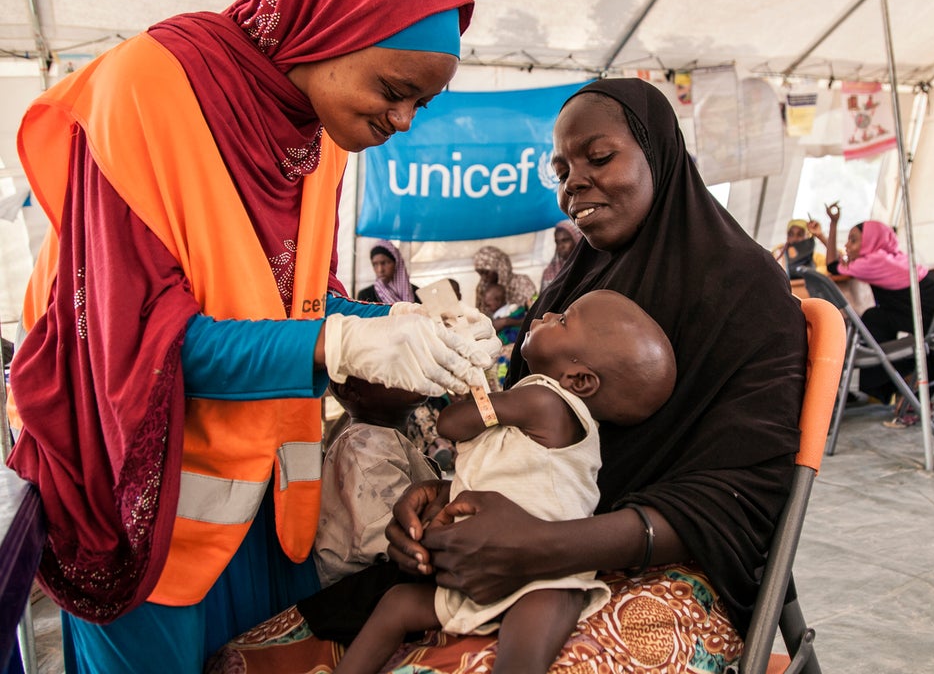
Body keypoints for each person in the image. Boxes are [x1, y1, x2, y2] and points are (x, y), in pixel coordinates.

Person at [3, 0, 500, 673]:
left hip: (270, 514)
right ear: (324, 28)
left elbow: (289, 298)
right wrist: (341, 342)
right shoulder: (148, 89)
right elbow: (133, 345)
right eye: (394, 89)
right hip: (146, 518)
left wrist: (391, 327)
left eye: (424, 103)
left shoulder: (321, 128)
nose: (404, 121)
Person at [208, 77, 808, 672]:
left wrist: (545, 548)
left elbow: (743, 496)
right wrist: (447, 499)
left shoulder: (744, 290)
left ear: (659, 154)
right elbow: (526, 446)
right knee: (251, 660)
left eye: (599, 157)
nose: (575, 181)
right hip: (514, 548)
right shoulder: (576, 284)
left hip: (665, 567)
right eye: (561, 170)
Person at [334, 289, 676, 674]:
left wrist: (464, 370)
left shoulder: (541, 400)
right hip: (537, 575)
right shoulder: (566, 420)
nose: (548, 314)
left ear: (579, 379)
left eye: (563, 320)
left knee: (397, 604)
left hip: (532, 567)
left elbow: (451, 424)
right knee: (541, 618)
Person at [810, 205, 934, 425]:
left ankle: (911, 381)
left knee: (872, 323)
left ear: (871, 242)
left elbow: (834, 266)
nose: (847, 245)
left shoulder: (872, 263)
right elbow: (844, 261)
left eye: (853, 240)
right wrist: (827, 232)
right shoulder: (891, 257)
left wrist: (832, 226)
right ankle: (932, 375)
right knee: (875, 317)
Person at [314, 378, 438, 589]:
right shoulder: (366, 452)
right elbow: (417, 546)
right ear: (349, 389)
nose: (413, 368)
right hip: (365, 598)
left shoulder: (379, 440)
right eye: (396, 360)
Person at [540, 218, 583, 289]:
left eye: (565, 240)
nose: (560, 246)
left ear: (577, 239)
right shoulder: (549, 273)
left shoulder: (591, 267)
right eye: (557, 242)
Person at [473, 245, 515, 311]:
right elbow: (480, 313)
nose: (483, 277)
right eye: (480, 273)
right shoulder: (481, 288)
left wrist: (508, 320)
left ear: (499, 267)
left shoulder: (521, 284)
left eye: (486, 272)